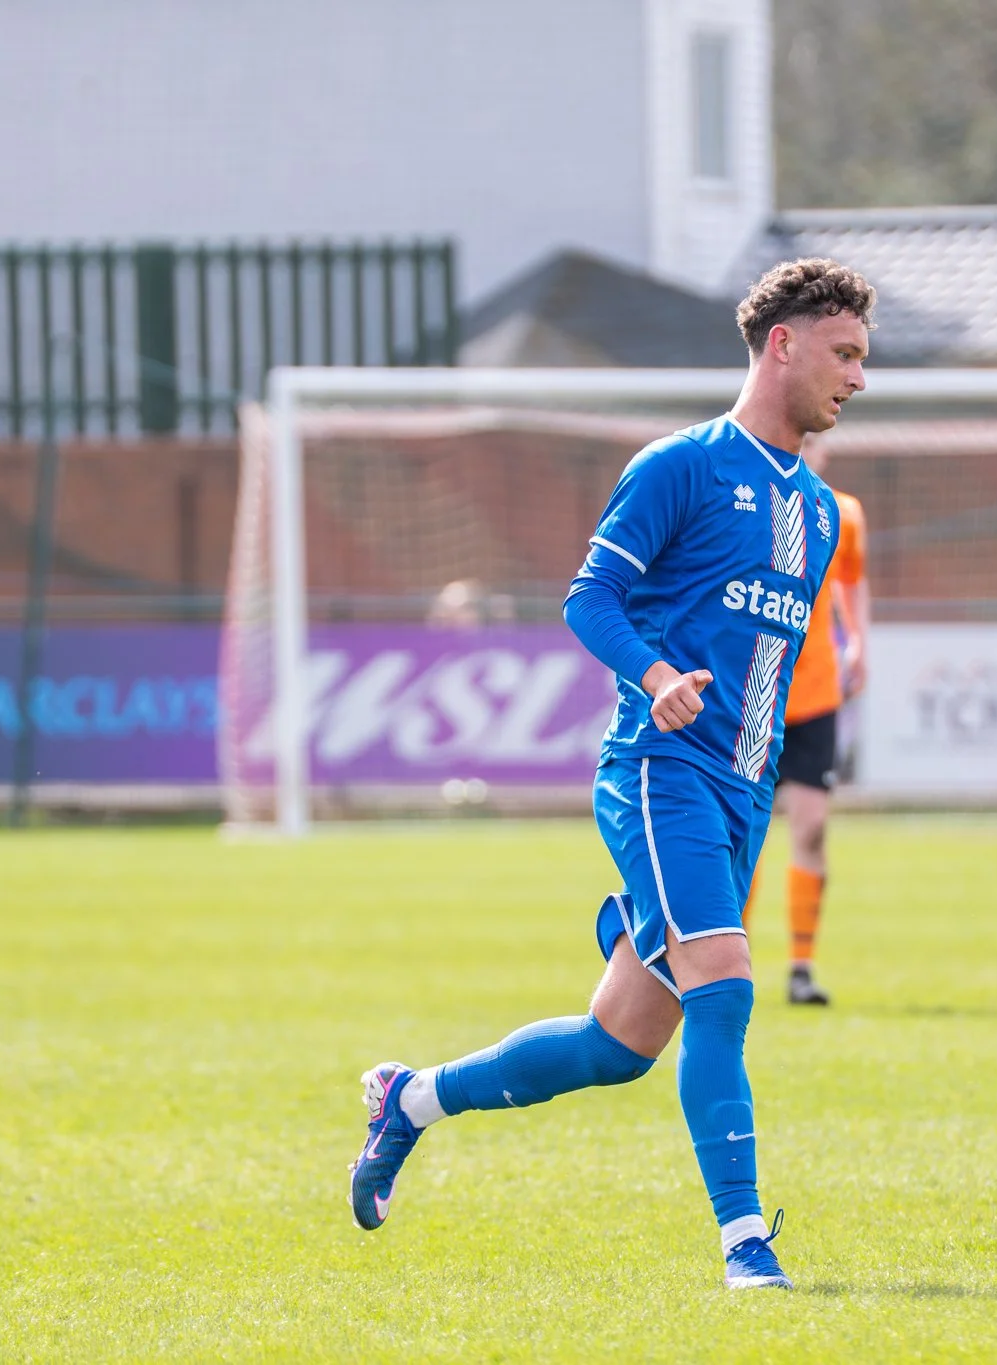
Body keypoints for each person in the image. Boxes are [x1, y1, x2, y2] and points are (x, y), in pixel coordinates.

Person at [346, 258, 875, 1292]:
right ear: (783, 344)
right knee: (723, 993)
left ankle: (409, 1100)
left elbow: (766, 662)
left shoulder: (813, 513)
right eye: (845, 353)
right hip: (657, 769)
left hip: (739, 795)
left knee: (617, 1045)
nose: (858, 377)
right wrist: (655, 673)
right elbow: (590, 600)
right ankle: (744, 1244)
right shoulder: (681, 465)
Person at [752, 449, 868, 1006]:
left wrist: (860, 641)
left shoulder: (842, 512)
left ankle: (801, 966)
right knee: (742, 837)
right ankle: (729, 961)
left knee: (812, 829)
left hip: (816, 694)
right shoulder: (749, 505)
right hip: (755, 690)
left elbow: (852, 582)